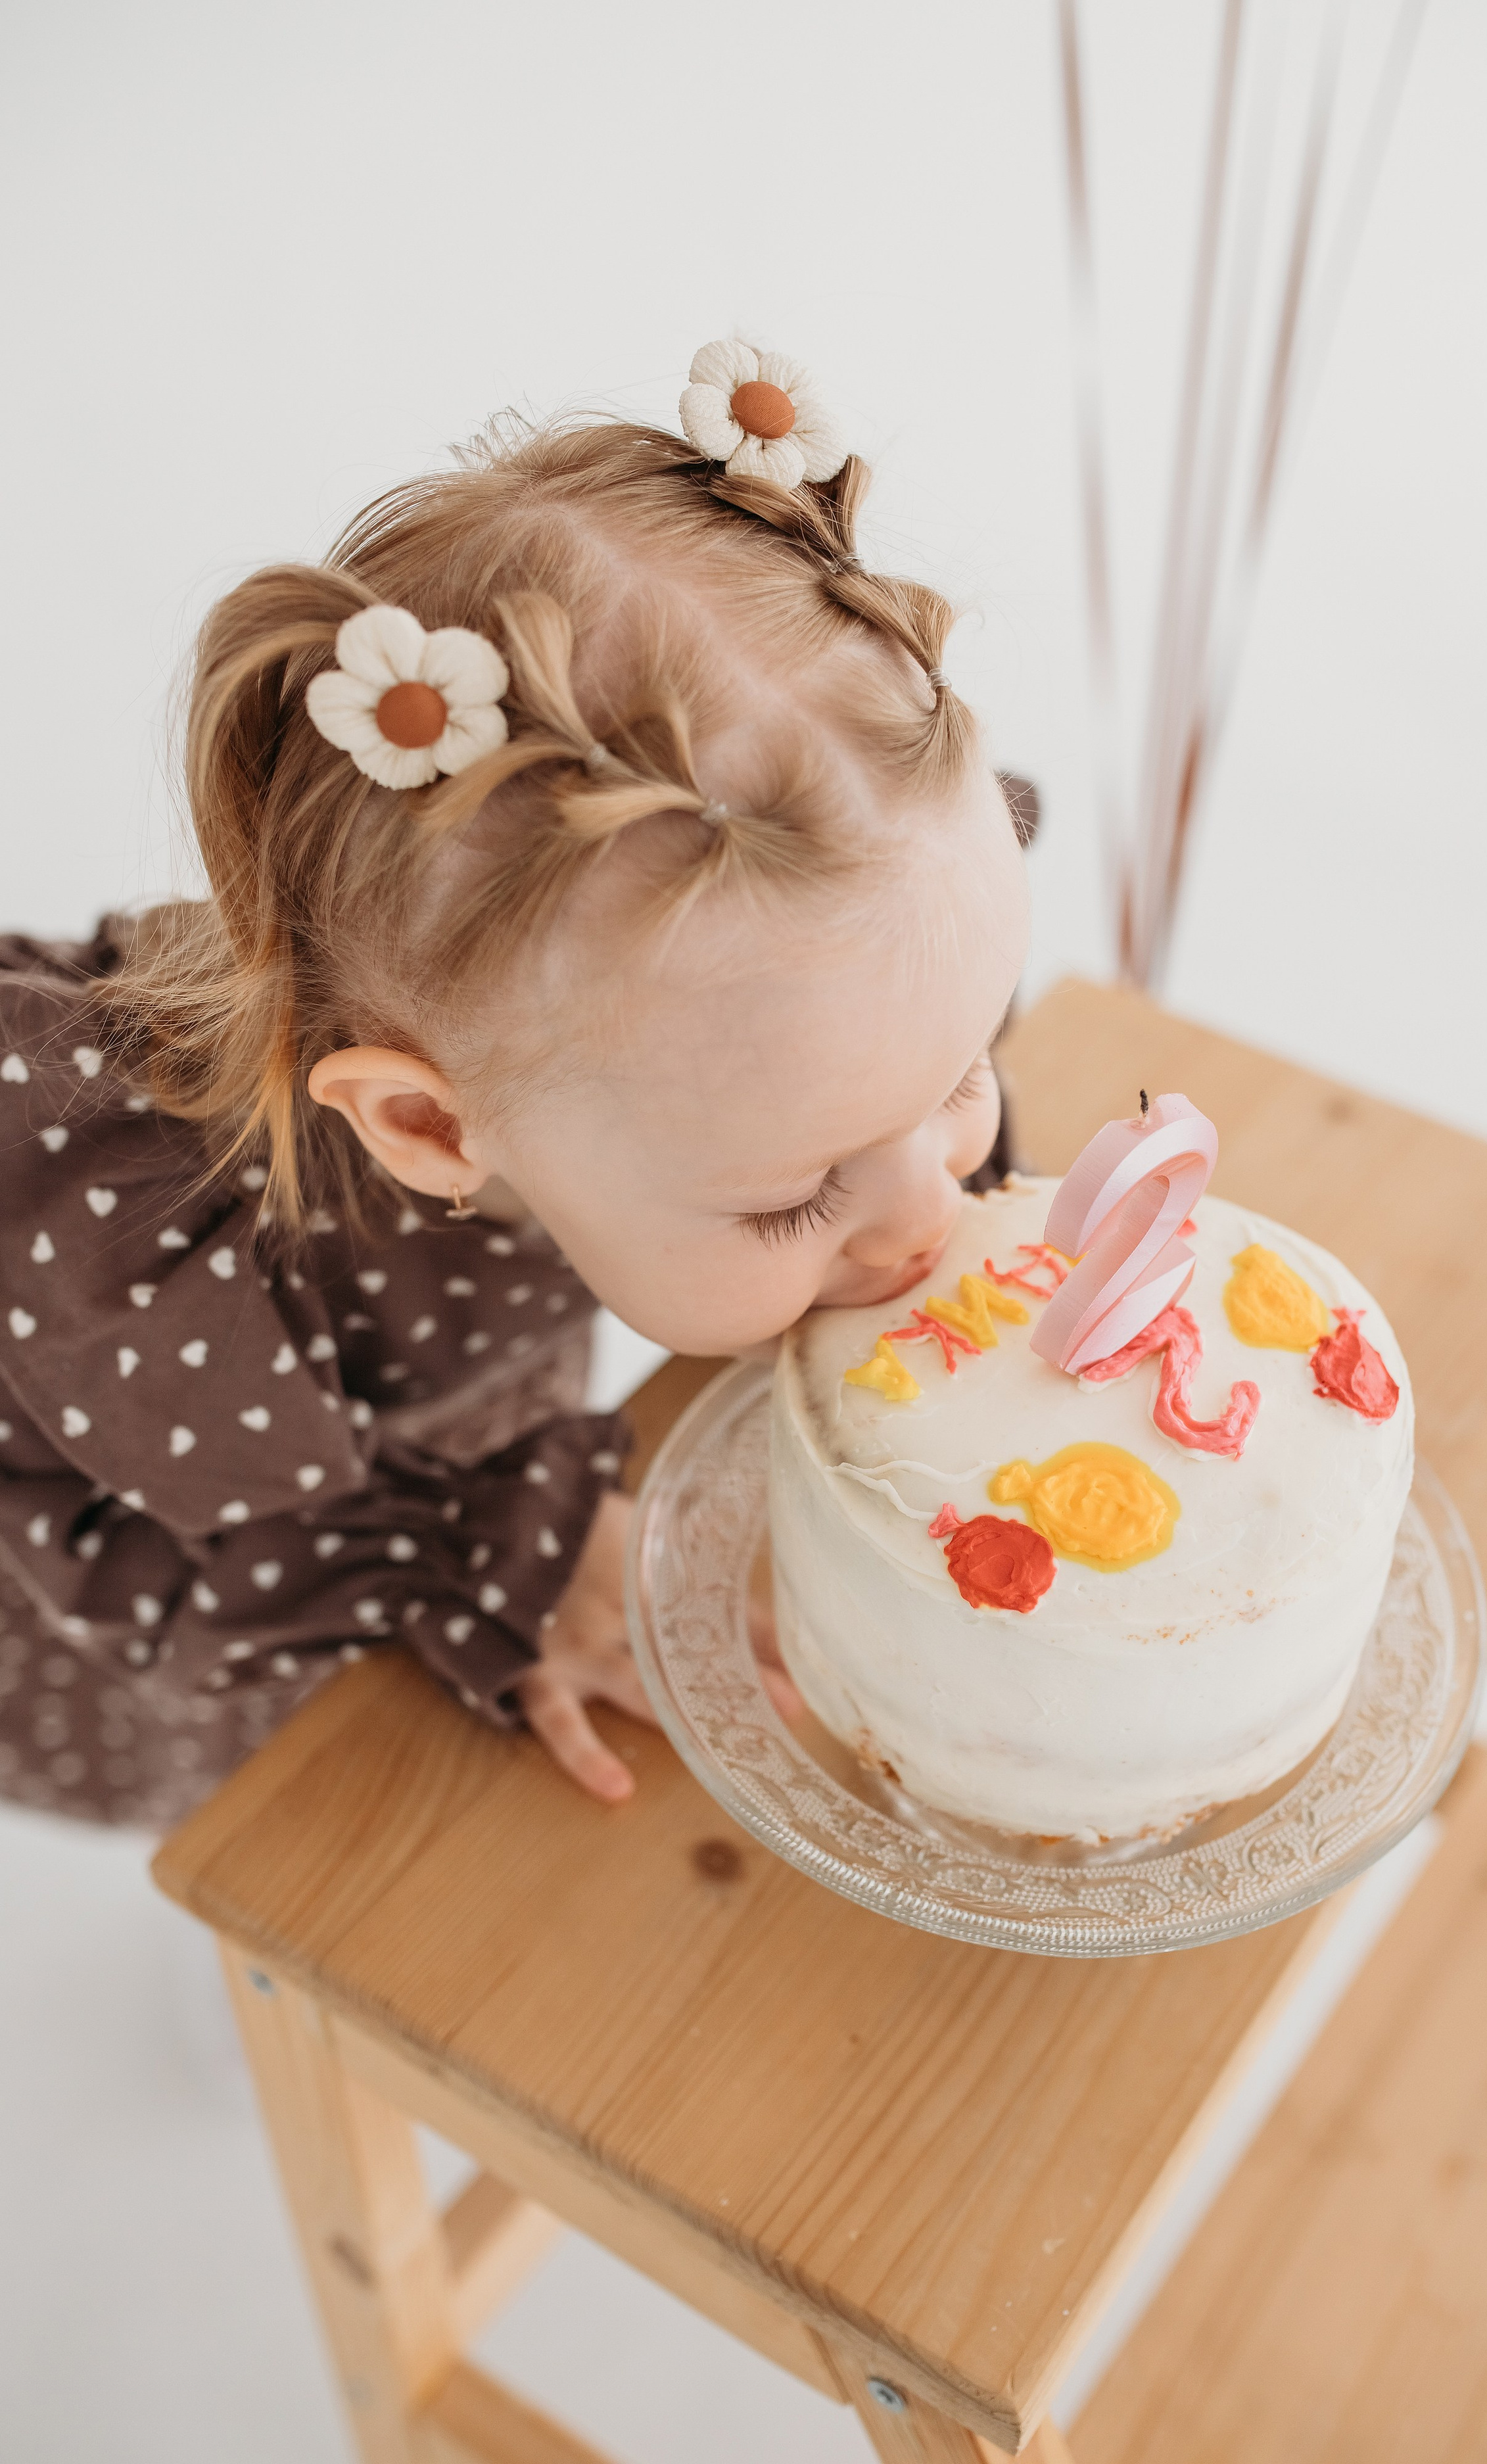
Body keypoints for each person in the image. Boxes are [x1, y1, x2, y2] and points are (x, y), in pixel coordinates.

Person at [0, 338, 1032, 1830]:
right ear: (428, 1127)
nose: (931, 1211)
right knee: (299, 1832)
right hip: (155, 1531)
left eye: (957, 1070)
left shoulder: (760, 1019)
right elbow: (141, 1544)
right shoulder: (131, 1247)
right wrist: (486, 1557)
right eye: (798, 1192)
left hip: (427, 1386)